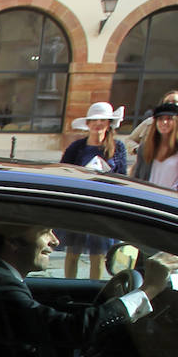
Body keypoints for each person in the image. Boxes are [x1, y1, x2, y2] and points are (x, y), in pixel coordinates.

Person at [0, 222, 169, 357]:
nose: (55, 241)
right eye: (44, 232)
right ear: (12, 241)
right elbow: (69, 331)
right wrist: (149, 290)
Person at [59, 102, 128, 279]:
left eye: (103, 120)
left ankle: (92, 291)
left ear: (109, 123)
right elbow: (62, 172)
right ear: (88, 124)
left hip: (103, 207)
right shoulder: (76, 148)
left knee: (98, 256)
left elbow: (122, 178)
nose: (98, 124)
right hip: (79, 205)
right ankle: (68, 288)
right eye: (95, 120)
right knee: (72, 253)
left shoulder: (118, 148)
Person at [126, 89, 178, 155]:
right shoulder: (150, 122)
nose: (170, 104)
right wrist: (138, 150)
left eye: (175, 102)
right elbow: (130, 140)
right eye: (167, 101)